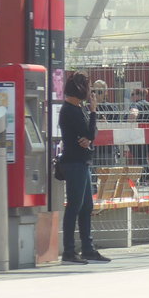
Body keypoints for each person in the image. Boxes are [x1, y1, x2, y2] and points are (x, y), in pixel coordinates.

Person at [58, 72, 111, 264]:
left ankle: (88, 248)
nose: (90, 93)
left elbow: (91, 134)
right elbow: (89, 132)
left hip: (82, 162)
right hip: (74, 163)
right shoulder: (70, 110)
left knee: (87, 206)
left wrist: (88, 137)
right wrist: (94, 112)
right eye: (88, 89)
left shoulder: (77, 109)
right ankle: (69, 251)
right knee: (74, 206)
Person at [127, 86, 149, 185]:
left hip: (137, 136)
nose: (131, 97)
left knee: (140, 157)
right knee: (143, 157)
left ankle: (145, 179)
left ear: (138, 95)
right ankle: (145, 179)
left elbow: (133, 114)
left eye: (132, 94)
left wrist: (128, 124)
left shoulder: (136, 105)